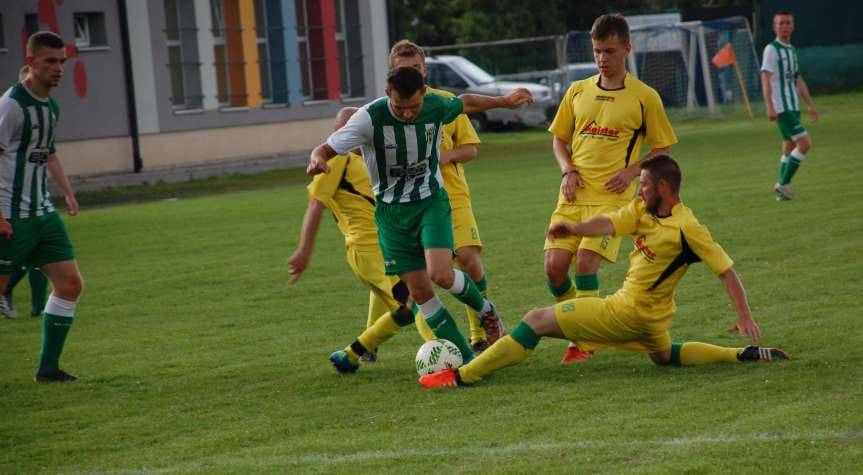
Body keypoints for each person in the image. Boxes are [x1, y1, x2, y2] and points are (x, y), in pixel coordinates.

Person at [420, 155, 789, 389]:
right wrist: (574, 230)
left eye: (643, 184)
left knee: (534, 320)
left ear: (663, 187)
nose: (638, 189)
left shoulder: (687, 228)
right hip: (654, 320)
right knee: (663, 357)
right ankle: (741, 355)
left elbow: (726, 270)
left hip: (626, 312)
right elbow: (609, 222)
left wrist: (744, 314)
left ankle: (461, 376)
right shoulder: (644, 211)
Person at [308, 67, 532, 372]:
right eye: (401, 108)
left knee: (441, 274)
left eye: (414, 106)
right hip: (390, 214)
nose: (409, 114)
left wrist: (505, 101)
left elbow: (465, 102)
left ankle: (487, 311)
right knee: (421, 293)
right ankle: (467, 360)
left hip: (430, 202)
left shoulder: (435, 105)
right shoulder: (368, 118)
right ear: (387, 94)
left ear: (423, 94)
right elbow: (327, 147)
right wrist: (318, 158)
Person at [545, 14, 678, 364]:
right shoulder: (578, 91)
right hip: (572, 197)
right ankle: (581, 325)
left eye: (610, 51)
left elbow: (662, 148)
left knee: (586, 263)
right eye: (597, 52)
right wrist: (567, 171)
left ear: (626, 50)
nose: (603, 59)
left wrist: (633, 171)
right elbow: (559, 140)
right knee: (554, 268)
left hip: (612, 202)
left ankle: (583, 341)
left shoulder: (644, 97)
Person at [387, 40, 493, 353]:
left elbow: (471, 149)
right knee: (417, 280)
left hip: (452, 197)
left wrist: (442, 157)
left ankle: (480, 333)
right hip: (410, 204)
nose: (413, 74)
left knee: (470, 260)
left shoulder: (445, 102)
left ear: (425, 69)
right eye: (405, 70)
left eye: (417, 68)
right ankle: (440, 347)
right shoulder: (389, 110)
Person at [288, 108, 411, 363]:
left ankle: (362, 349)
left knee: (400, 296)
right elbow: (316, 204)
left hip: (387, 242)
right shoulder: (335, 160)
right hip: (367, 248)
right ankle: (445, 351)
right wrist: (304, 251)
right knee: (412, 303)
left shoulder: (366, 160)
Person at [0, 31, 84, 382]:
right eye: (50, 61)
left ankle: (48, 369)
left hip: (43, 213)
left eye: (62, 61)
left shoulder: (50, 106)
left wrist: (68, 192)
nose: (59, 68)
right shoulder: (12, 106)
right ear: (31, 61)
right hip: (12, 215)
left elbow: (48, 153)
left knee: (70, 284)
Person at [0, 64, 50, 320]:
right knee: (23, 257)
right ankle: (7, 291)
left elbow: (50, 155)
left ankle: (39, 306)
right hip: (13, 203)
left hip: (40, 201)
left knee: (41, 256)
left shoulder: (47, 112)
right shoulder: (12, 108)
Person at [760, 10, 817, 201]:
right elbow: (765, 78)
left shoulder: (792, 50)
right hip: (781, 107)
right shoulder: (771, 49)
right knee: (805, 144)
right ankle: (783, 184)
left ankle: (782, 193)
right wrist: (770, 106)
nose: (784, 26)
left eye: (787, 23)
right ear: (774, 27)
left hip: (793, 105)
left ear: (793, 26)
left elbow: (797, 79)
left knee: (789, 146)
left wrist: (810, 104)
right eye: (780, 23)